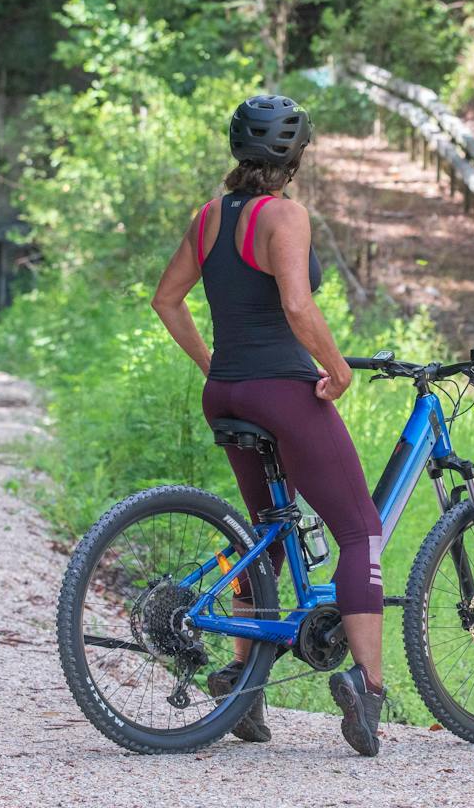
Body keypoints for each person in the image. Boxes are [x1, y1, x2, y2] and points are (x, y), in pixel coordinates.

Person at [149, 93, 388, 757]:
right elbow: (296, 304)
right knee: (360, 531)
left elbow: (166, 300)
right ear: (296, 156)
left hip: (226, 393)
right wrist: (337, 370)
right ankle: (368, 688)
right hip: (283, 392)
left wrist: (214, 366)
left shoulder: (208, 218)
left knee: (268, 539)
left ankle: (243, 688)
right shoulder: (283, 216)